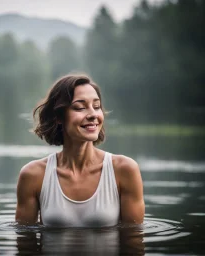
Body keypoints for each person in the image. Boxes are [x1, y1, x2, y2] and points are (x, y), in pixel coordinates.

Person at [15, 74, 145, 227]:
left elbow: (134, 241)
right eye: (80, 108)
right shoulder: (33, 175)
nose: (93, 115)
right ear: (59, 117)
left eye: (96, 107)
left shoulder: (125, 170)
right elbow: (25, 242)